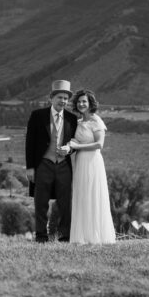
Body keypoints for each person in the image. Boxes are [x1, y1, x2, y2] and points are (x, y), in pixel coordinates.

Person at [60, 89, 117, 244]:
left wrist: (77, 147)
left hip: (93, 162)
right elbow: (75, 142)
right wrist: (69, 146)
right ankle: (82, 236)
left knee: (93, 195)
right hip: (80, 163)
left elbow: (99, 144)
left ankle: (97, 236)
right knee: (82, 195)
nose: (81, 104)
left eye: (84, 101)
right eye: (79, 101)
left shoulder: (96, 121)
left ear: (90, 103)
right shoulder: (78, 123)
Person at [25, 79, 78, 242]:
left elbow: (76, 142)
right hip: (43, 164)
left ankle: (64, 235)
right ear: (51, 98)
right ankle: (41, 236)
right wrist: (30, 167)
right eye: (59, 97)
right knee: (41, 202)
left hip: (64, 166)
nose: (63, 101)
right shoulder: (37, 115)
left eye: (65, 98)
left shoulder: (72, 119)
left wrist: (69, 149)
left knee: (65, 203)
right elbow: (30, 142)